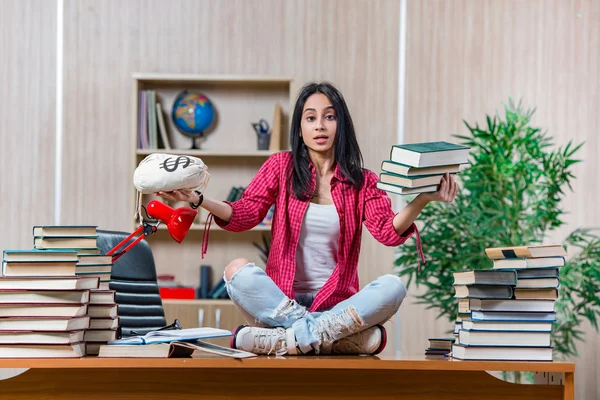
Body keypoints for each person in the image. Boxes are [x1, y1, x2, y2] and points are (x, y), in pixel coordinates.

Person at [156, 82, 457, 356]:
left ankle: (284, 340)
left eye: (329, 116)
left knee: (394, 286)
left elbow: (387, 232)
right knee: (237, 271)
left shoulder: (363, 181)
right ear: (300, 128)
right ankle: (324, 335)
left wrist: (422, 200)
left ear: (341, 125)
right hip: (281, 302)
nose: (320, 126)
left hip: (339, 304)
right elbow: (244, 214)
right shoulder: (280, 166)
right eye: (310, 118)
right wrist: (199, 199)